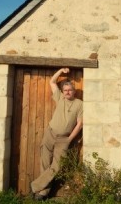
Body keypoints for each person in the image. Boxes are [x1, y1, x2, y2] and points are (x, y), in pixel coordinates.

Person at [31, 68, 83, 200]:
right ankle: (43, 193)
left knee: (57, 166)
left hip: (64, 138)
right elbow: (52, 82)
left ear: (74, 91)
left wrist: (69, 139)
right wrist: (60, 71)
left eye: (69, 90)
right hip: (50, 133)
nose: (67, 92)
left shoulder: (80, 104)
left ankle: (35, 186)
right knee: (45, 162)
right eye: (65, 90)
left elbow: (80, 124)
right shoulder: (59, 98)